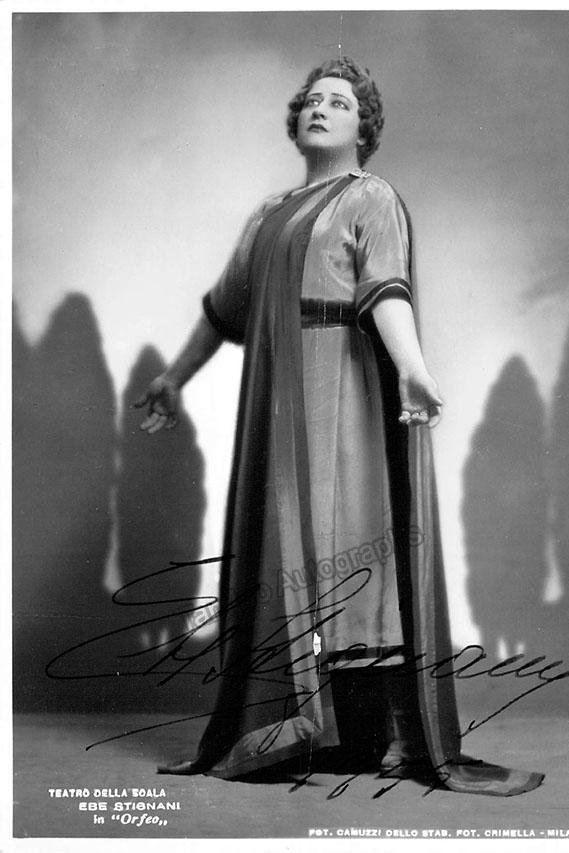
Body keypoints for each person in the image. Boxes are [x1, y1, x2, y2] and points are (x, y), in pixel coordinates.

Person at [136, 57, 544, 796]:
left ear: (364, 128)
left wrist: (412, 367)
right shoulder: (267, 215)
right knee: (279, 544)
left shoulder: (371, 197)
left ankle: (373, 734)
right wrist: (173, 377)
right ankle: (281, 728)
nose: (321, 109)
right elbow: (223, 309)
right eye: (312, 101)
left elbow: (385, 288)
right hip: (277, 394)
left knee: (353, 544)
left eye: (340, 103)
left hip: (343, 388)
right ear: (296, 121)